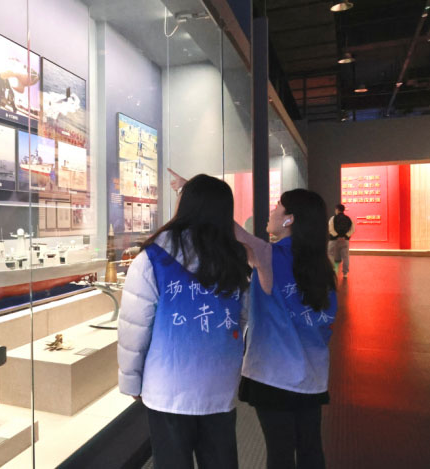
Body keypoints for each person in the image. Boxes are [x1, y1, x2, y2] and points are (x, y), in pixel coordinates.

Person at [118, 174, 251, 469]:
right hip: (219, 386)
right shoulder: (235, 260)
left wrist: (131, 380)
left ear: (185, 205)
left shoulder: (152, 259)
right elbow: (241, 319)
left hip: (167, 388)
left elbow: (134, 329)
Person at [234, 190, 337, 469]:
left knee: (279, 453)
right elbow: (326, 326)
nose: (272, 211)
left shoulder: (269, 256)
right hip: (312, 375)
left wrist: (189, 191)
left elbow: (232, 231)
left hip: (273, 376)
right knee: (310, 449)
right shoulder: (322, 266)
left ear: (289, 219)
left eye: (277, 206)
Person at [328, 203, 354, 278]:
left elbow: (330, 229)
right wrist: (345, 236)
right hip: (345, 241)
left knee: (330, 254)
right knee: (345, 256)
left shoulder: (333, 218)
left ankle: (332, 270)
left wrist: (337, 236)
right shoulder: (348, 219)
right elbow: (352, 229)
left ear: (337, 210)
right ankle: (345, 273)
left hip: (334, 240)